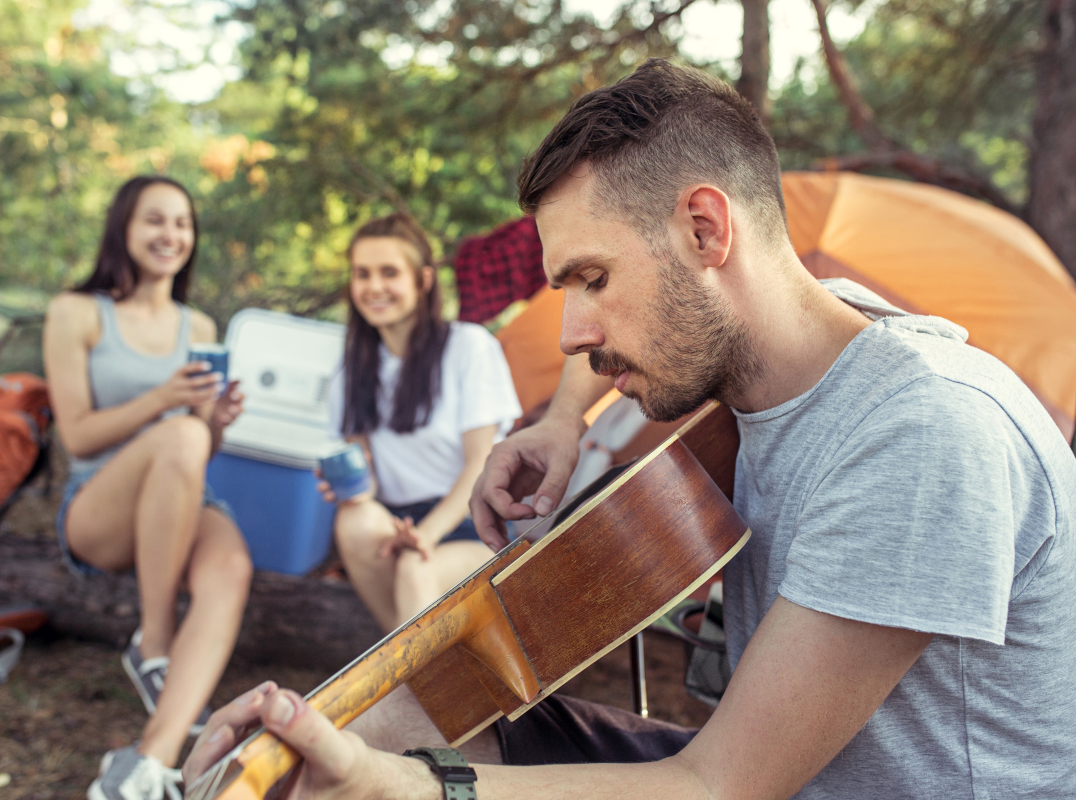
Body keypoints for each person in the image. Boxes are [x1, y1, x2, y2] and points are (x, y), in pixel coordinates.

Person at [184, 60, 1076, 799]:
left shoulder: (919, 429)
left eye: (591, 279)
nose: (570, 328)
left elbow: (719, 785)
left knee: (392, 774)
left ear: (704, 227)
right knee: (386, 723)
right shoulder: (809, 335)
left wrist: (403, 788)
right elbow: (659, 317)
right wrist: (565, 419)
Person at [44, 176, 253, 800]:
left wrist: (214, 424)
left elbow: (196, 447)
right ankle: (153, 638)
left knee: (232, 565)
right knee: (182, 439)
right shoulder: (77, 312)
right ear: (124, 229)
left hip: (181, 494)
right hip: (97, 504)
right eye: (155, 221)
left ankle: (147, 765)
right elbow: (76, 436)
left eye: (183, 223)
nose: (171, 235)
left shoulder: (201, 325)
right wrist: (168, 401)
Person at [322, 213, 521, 632]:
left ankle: (408, 685)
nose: (374, 287)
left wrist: (427, 534)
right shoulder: (348, 375)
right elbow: (369, 483)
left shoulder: (469, 348)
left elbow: (481, 465)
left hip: (471, 529)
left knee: (416, 567)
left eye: (389, 272)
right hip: (395, 530)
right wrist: (344, 484)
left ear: (423, 280)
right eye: (362, 274)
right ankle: (407, 670)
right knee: (354, 517)